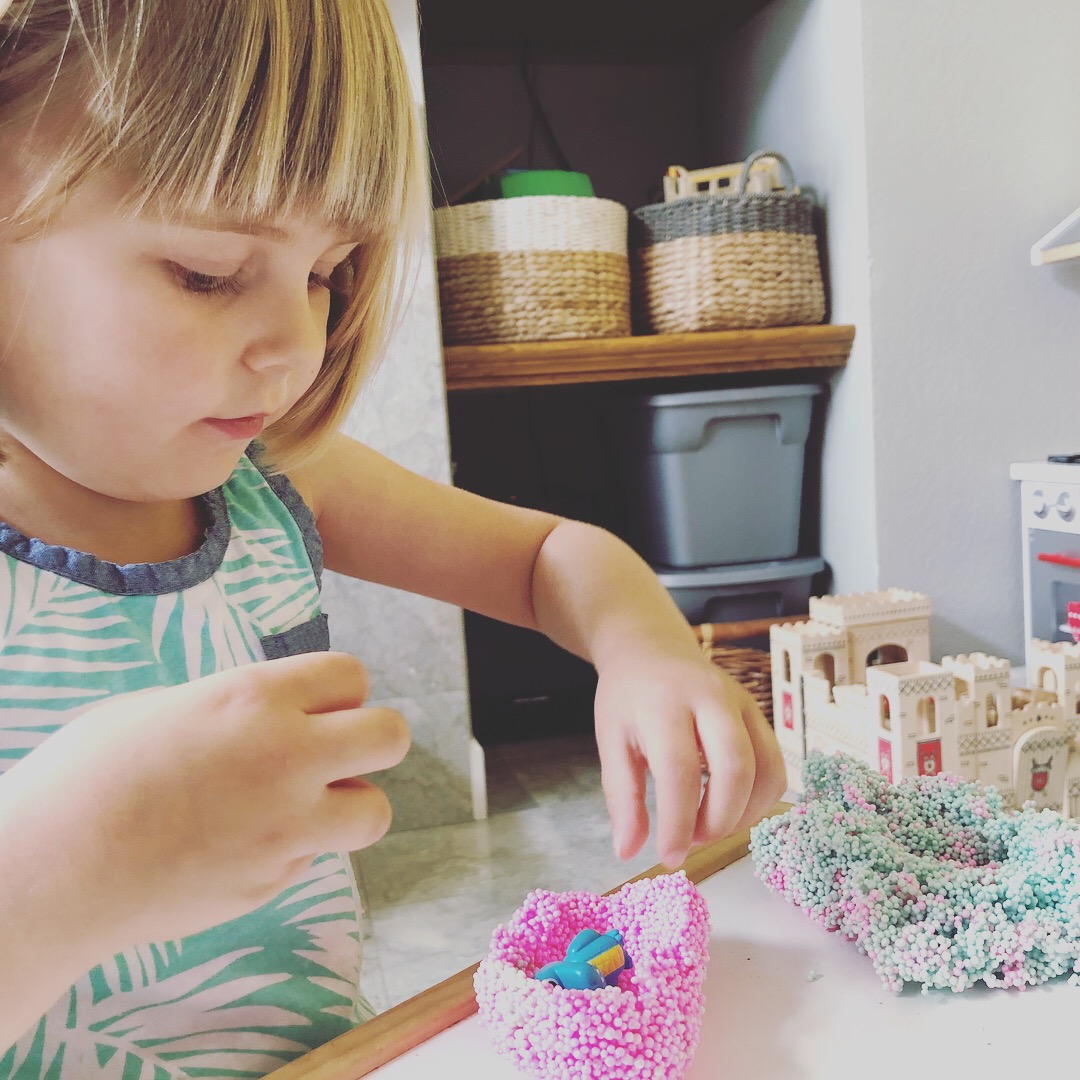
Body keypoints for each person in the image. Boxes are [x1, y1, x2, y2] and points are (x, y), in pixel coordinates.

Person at [0, 0, 785, 1074]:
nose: (295, 346)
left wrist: (645, 651)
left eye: (325, 274)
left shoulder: (273, 476)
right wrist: (56, 873)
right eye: (205, 270)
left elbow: (549, 557)